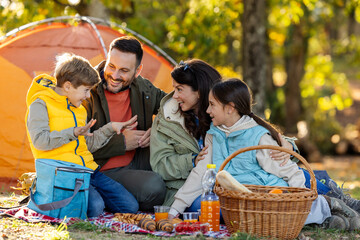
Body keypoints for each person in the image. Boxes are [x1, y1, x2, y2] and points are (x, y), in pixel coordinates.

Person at [182, 78, 359, 230]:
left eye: (211, 105)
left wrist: (301, 199)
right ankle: (323, 216)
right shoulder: (214, 135)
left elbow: (288, 170)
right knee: (244, 213)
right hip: (239, 197)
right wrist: (174, 209)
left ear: (230, 108)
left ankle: (326, 203)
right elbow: (200, 172)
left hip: (266, 192)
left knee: (270, 208)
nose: (207, 110)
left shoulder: (258, 135)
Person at [150, 59, 297, 217]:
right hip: (199, 188)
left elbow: (258, 134)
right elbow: (164, 165)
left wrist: (288, 146)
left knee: (301, 179)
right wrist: (191, 161)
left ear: (199, 91)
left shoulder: (227, 111)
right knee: (204, 207)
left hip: (254, 187)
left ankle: (316, 196)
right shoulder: (172, 118)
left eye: (180, 89)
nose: (175, 96)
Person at [25, 53, 139, 217]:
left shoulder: (79, 110)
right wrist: (71, 133)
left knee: (130, 206)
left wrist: (111, 128)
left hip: (89, 170)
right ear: (68, 86)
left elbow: (88, 145)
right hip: (63, 174)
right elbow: (40, 142)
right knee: (96, 207)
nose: (87, 96)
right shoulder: (40, 104)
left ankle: (88, 195)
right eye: (86, 90)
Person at [83, 36, 167, 211]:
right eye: (111, 66)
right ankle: (104, 197)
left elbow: (174, 107)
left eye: (123, 70)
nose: (114, 75)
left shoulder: (143, 88)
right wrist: (121, 143)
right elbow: (77, 145)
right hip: (99, 170)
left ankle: (112, 200)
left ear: (137, 71)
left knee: (176, 177)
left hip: (136, 166)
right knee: (154, 186)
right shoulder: (87, 90)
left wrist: (157, 129)